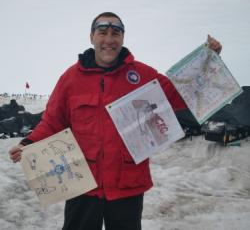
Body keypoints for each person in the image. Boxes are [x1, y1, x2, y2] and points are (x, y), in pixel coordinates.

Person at [9, 12, 222, 230]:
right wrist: (28, 143)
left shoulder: (142, 75)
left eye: (115, 33)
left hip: (127, 184)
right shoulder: (70, 79)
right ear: (92, 37)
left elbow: (182, 93)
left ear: (122, 38)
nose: (109, 40)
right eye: (102, 33)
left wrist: (207, 61)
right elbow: (53, 121)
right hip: (84, 183)